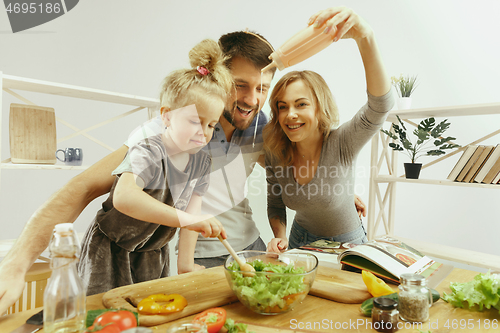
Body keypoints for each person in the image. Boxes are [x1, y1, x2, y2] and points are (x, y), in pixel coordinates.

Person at [0, 10, 365, 313]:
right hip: (189, 256)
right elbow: (80, 188)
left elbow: (296, 167)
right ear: (218, 78)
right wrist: (19, 263)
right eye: (240, 85)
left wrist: (339, 192)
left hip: (245, 249)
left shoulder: (265, 129)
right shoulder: (175, 127)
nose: (252, 100)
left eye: (262, 88)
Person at [77, 39, 231, 295]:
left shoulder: (203, 162)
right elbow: (124, 198)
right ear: (167, 115)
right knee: (103, 317)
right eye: (195, 120)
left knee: (150, 314)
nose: (203, 133)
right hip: (111, 250)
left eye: (211, 125)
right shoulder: (148, 151)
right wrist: (189, 219)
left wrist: (186, 264)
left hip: (152, 254)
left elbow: (193, 215)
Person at [264, 7, 393, 253]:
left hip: (347, 244)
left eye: (301, 104)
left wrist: (365, 37)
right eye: (282, 107)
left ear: (319, 109)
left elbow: (381, 106)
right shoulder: (275, 149)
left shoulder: (342, 142)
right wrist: (279, 237)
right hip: (299, 239)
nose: (290, 114)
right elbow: (276, 201)